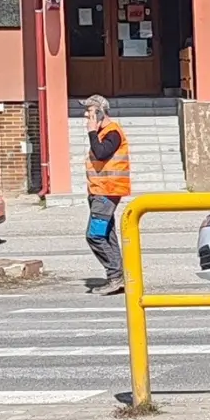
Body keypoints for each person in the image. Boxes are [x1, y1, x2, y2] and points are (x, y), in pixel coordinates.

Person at [81, 95, 130, 295]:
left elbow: (101, 153)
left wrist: (92, 131)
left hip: (107, 192)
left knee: (94, 235)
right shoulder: (104, 132)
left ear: (100, 113)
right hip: (100, 191)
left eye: (90, 112)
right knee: (107, 235)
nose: (86, 116)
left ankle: (115, 276)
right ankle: (118, 276)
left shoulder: (112, 133)